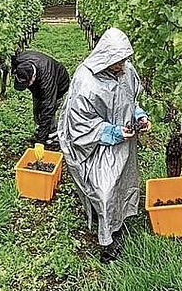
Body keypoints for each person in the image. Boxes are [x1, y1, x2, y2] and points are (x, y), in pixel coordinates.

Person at [57, 28, 150, 263]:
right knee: (104, 190)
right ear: (106, 57)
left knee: (123, 181)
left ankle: (117, 219)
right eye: (117, 61)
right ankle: (108, 240)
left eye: (124, 60)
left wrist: (139, 116)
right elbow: (79, 123)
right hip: (95, 144)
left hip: (123, 141)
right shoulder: (86, 81)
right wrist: (112, 132)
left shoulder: (127, 73)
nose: (122, 65)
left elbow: (131, 100)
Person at [11, 50, 70, 150]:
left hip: (60, 85)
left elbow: (48, 108)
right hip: (39, 85)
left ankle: (52, 139)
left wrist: (40, 142)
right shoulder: (19, 61)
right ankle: (41, 133)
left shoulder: (47, 80)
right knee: (37, 111)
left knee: (48, 114)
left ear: (33, 77)